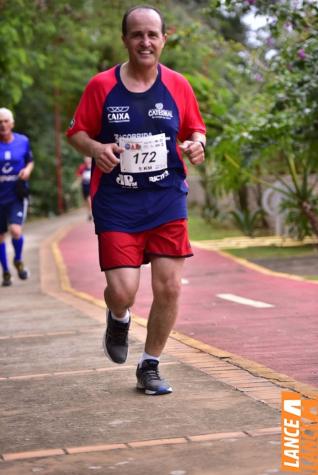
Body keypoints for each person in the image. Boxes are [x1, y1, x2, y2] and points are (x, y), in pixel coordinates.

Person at [67, 5, 206, 395]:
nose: (145, 41)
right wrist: (96, 148)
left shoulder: (178, 85)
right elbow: (77, 133)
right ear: (125, 40)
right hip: (117, 202)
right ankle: (118, 315)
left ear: (164, 39)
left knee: (170, 288)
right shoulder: (101, 86)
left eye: (152, 35)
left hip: (166, 198)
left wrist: (197, 145)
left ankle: (150, 365)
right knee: (124, 290)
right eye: (137, 35)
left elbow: (195, 129)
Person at [0, 107, 34, 287]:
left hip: (16, 196)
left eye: (5, 121)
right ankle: (5, 271)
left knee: (15, 231)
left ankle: (18, 260)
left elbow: (30, 161)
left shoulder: (23, 141)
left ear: (12, 123)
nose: (2, 125)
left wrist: (27, 171)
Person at [76, 156, 92, 220]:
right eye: (86, 159)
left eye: (88, 159)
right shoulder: (82, 167)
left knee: (89, 199)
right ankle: (89, 213)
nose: (87, 161)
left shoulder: (93, 166)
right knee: (86, 200)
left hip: (91, 185)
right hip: (85, 185)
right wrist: (78, 181)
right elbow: (79, 176)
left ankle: (91, 213)